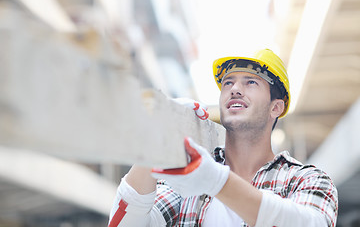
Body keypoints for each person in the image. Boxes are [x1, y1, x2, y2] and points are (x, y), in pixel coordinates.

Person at [108, 49, 338, 226]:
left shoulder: (306, 180)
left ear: (275, 108)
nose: (235, 89)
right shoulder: (188, 184)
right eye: (228, 82)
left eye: (251, 82)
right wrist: (159, 136)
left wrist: (216, 181)